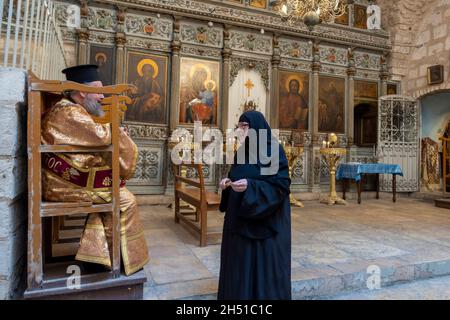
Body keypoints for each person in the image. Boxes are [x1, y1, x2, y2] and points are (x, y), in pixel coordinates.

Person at [41, 64, 149, 275]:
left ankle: (96, 258)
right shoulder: (68, 112)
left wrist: (113, 132)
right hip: (61, 183)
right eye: (99, 90)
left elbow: (94, 135)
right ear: (83, 91)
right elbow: (100, 136)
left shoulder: (69, 108)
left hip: (61, 178)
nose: (102, 96)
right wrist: (117, 132)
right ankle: (122, 262)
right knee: (125, 200)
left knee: (112, 197)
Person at [218, 110, 292, 300]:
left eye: (245, 127)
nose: (240, 131)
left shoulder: (273, 150)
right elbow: (237, 176)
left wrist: (251, 186)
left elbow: (280, 186)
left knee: (262, 269)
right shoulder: (242, 151)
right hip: (240, 221)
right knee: (240, 267)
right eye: (239, 126)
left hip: (265, 224)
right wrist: (228, 183)